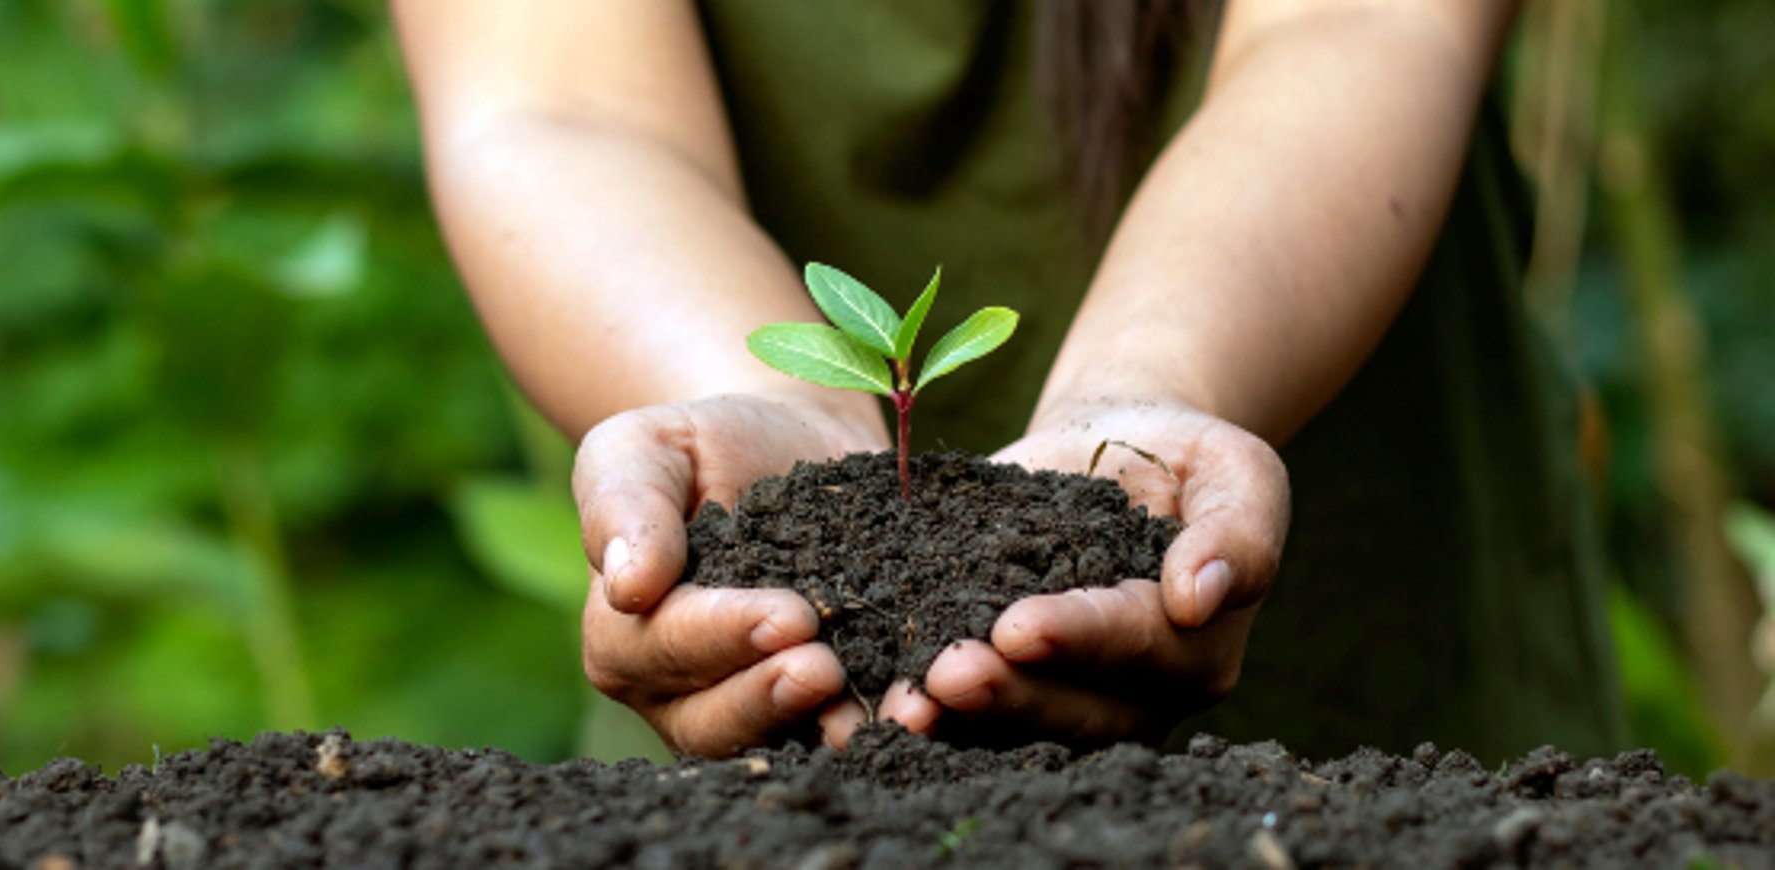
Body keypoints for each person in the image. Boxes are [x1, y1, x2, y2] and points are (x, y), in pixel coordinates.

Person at [392, 0, 1626, 763]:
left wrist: (1151, 388)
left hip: (1382, 708)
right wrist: (751, 404)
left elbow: (1364, 21)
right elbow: (554, 102)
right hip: (773, 739)